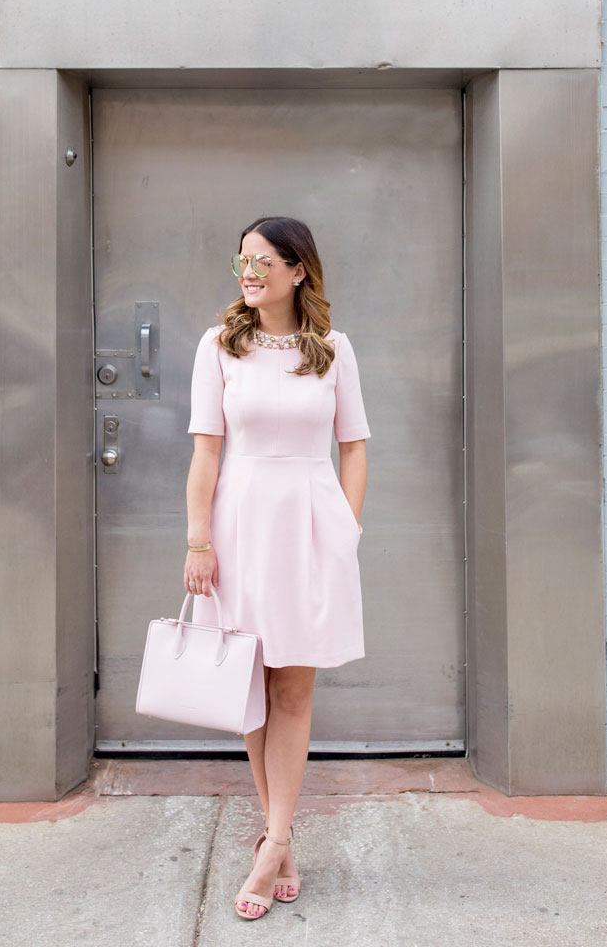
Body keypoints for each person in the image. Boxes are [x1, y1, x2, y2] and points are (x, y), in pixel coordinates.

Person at [183, 215, 370, 921]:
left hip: (312, 529)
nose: (249, 273)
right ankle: (279, 839)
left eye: (263, 262)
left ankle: (273, 839)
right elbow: (206, 452)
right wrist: (199, 541)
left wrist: (346, 531)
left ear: (298, 270)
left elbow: (353, 446)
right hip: (239, 526)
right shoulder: (220, 346)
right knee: (250, 688)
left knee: (294, 688)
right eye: (242, 262)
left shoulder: (331, 350)